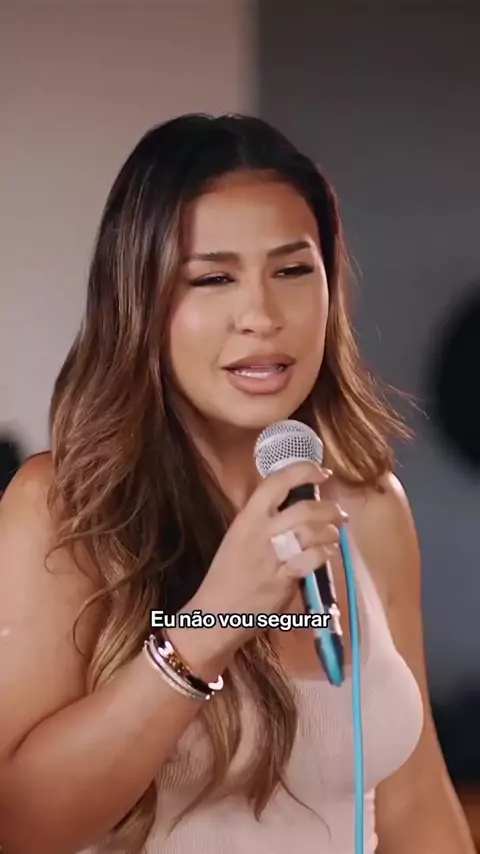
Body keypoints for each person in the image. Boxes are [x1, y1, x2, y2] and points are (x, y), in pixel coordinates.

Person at [0, 114, 474, 854]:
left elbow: (416, 806)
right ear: (139, 302)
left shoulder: (371, 505)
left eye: (292, 271)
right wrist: (215, 620)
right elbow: (18, 824)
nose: (261, 315)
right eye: (213, 278)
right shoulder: (64, 509)